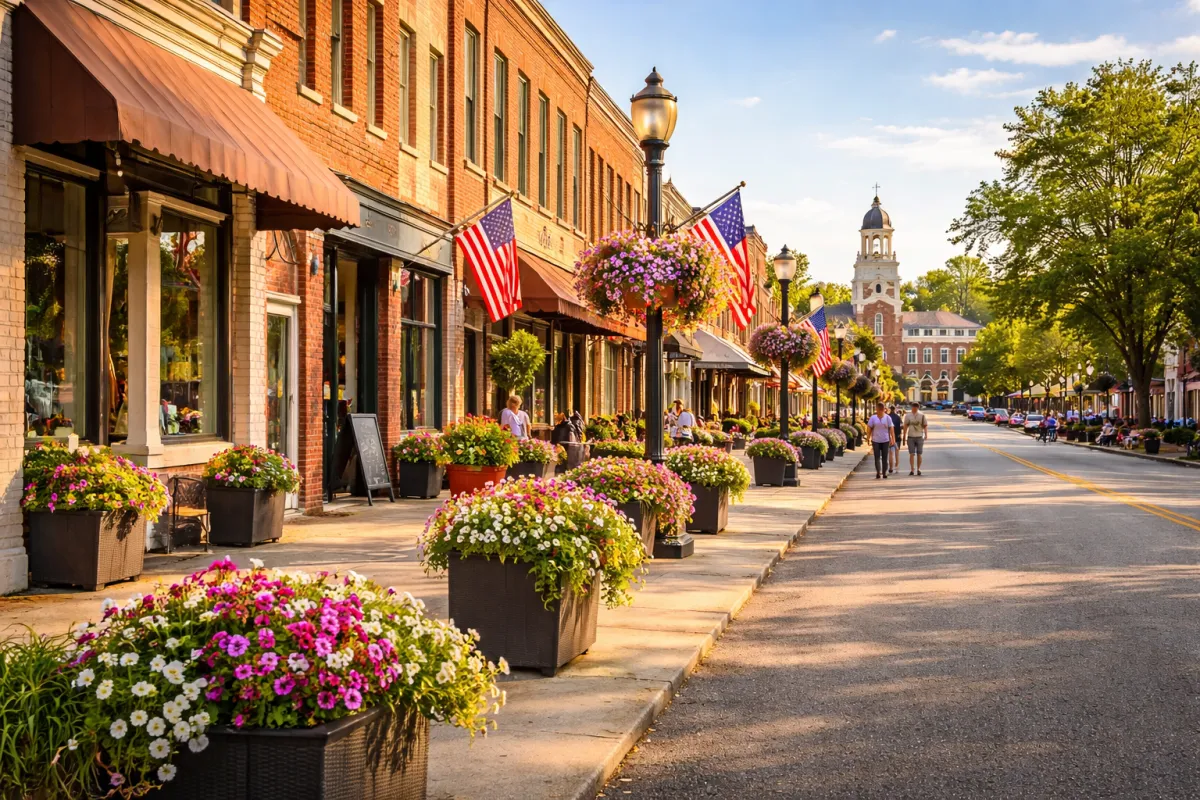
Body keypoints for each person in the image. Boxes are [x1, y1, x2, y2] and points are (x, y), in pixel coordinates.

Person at [868, 401, 896, 480]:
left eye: (881, 409)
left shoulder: (887, 418)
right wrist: (868, 437)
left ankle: (884, 473)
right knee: (876, 457)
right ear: (876, 409)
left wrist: (893, 438)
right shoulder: (873, 418)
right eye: (878, 409)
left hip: (885, 440)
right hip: (875, 440)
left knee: (884, 457)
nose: (880, 411)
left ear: (884, 409)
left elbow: (891, 428)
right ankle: (878, 472)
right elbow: (869, 428)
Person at [903, 401, 928, 476]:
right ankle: (912, 469)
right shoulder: (908, 416)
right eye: (913, 408)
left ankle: (918, 469)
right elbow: (905, 426)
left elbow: (925, 425)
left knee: (919, 454)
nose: (914, 409)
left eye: (915, 408)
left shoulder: (922, 415)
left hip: (919, 436)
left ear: (918, 408)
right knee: (911, 454)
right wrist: (904, 436)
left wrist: (926, 434)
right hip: (911, 436)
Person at [887, 404, 903, 475]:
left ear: (890, 409)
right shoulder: (898, 417)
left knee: (890, 453)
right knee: (897, 453)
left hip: (889, 437)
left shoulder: (887, 417)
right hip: (897, 436)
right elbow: (901, 426)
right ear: (895, 409)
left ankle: (890, 468)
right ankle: (896, 467)